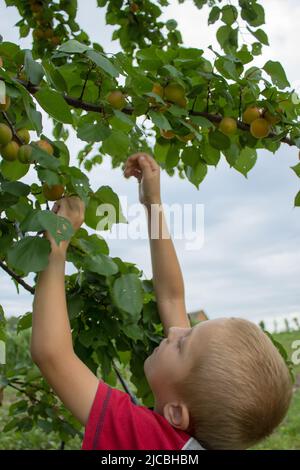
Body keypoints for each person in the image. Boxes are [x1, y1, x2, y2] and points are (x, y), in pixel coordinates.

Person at [31, 153, 293, 450]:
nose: (174, 331)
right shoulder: (191, 428)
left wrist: (57, 244)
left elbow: (52, 354)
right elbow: (171, 297)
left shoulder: (150, 442)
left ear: (177, 412)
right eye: (190, 330)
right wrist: (152, 203)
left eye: (183, 343)